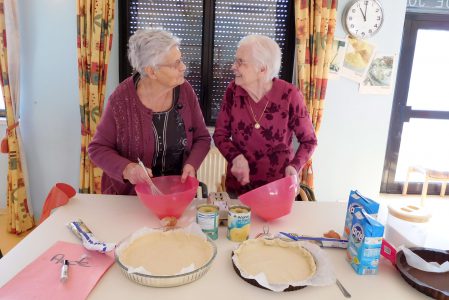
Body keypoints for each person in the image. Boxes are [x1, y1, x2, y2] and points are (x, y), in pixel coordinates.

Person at [88, 29, 211, 195]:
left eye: (180, 60)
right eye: (175, 64)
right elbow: (98, 149)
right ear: (152, 71)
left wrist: (192, 163)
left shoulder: (185, 91)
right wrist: (128, 169)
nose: (183, 67)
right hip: (130, 200)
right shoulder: (121, 100)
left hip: (176, 195)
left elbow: (202, 138)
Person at [213, 35, 317, 196]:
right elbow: (220, 135)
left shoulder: (290, 95)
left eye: (241, 62)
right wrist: (236, 157)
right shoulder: (233, 91)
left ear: (262, 69)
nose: (233, 66)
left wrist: (294, 166)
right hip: (239, 188)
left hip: (276, 190)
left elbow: (309, 141)